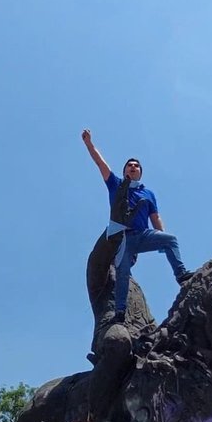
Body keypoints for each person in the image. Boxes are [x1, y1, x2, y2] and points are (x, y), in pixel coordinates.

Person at [82, 129, 191, 319]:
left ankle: (181, 275)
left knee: (170, 239)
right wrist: (89, 143)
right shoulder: (116, 184)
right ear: (125, 171)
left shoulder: (148, 193)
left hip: (142, 235)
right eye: (129, 165)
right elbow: (100, 163)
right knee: (122, 272)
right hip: (123, 238)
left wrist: (160, 237)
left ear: (140, 172)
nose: (133, 167)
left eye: (136, 166)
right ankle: (120, 312)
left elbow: (155, 217)